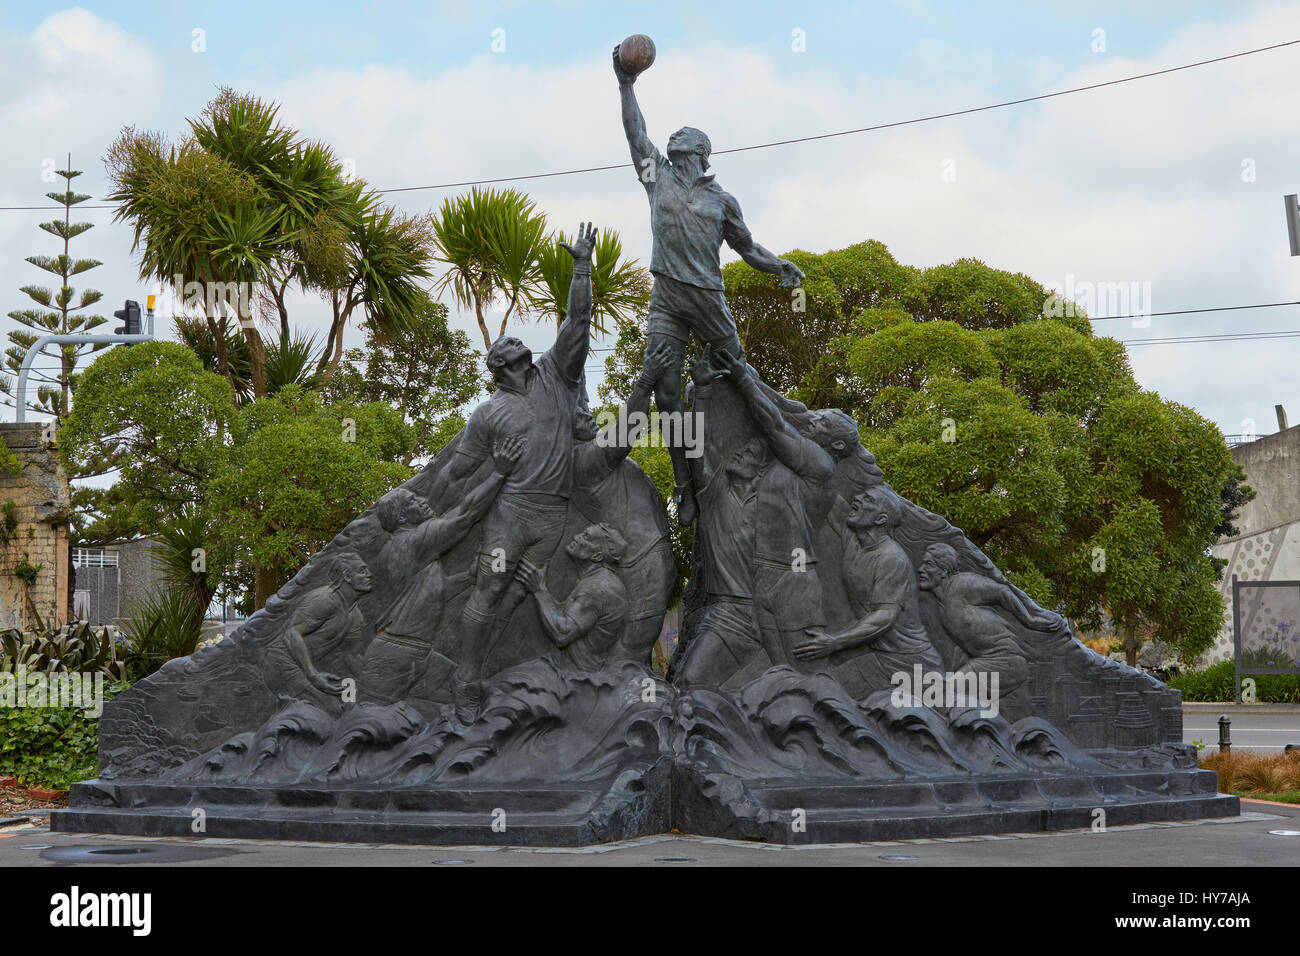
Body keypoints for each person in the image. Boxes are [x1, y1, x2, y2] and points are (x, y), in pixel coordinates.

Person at [614, 46, 805, 525]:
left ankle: (785, 439)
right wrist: (626, 84)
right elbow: (636, 132)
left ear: (700, 151)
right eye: (672, 134)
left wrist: (780, 265)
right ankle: (685, 487)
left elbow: (749, 248)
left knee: (740, 377)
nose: (672, 134)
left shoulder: (722, 200)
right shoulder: (657, 176)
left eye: (684, 134)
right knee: (664, 391)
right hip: (667, 299)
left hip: (708, 300)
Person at [433, 222, 601, 724]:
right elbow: (458, 467)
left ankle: (526, 679)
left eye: (522, 351)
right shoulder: (487, 414)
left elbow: (579, 318)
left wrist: (581, 264)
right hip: (511, 514)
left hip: (554, 515)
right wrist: (428, 506)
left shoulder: (558, 374)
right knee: (491, 586)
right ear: (501, 368)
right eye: (511, 355)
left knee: (532, 591)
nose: (521, 357)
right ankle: (465, 680)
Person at [357, 435, 524, 704]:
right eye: (413, 501)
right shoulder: (413, 541)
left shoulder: (399, 548)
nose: (423, 501)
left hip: (415, 650)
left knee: (468, 698)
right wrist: (499, 473)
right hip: (396, 654)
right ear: (401, 518)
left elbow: (431, 592)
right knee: (372, 725)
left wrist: (469, 578)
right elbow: (465, 515)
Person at [795, 487, 944, 697]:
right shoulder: (854, 539)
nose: (857, 498)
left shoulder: (892, 559)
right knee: (817, 693)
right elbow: (823, 487)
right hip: (878, 656)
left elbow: (885, 617)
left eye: (868, 500)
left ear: (880, 519)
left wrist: (834, 642)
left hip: (910, 664)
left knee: (822, 697)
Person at [916, 542, 1058, 696]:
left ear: (943, 570)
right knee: (948, 696)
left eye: (928, 564)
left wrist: (1030, 620)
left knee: (946, 694)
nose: (920, 569)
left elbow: (1002, 592)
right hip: (984, 661)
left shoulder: (961, 585)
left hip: (1007, 662)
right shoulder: (941, 604)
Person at [516, 523, 630, 673]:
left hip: (574, 675)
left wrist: (538, 591)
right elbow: (568, 614)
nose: (577, 537)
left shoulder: (596, 589)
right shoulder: (596, 579)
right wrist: (543, 590)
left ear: (597, 556)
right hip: (567, 667)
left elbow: (562, 634)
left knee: (501, 688)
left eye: (586, 537)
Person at [264, 553, 373, 707]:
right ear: (347, 576)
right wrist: (313, 675)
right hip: (281, 664)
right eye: (362, 571)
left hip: (307, 670)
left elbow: (351, 656)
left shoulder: (355, 615)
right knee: (331, 708)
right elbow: (291, 634)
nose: (370, 575)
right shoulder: (324, 599)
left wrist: (375, 682)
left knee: (345, 708)